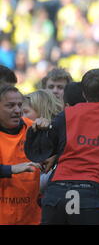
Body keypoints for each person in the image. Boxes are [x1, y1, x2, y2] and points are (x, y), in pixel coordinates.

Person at [25, 69, 99, 225]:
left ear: (84, 94)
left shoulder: (67, 114)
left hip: (56, 194)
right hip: (90, 196)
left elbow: (41, 151)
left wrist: (38, 131)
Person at [0, 84, 41, 224]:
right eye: (10, 106)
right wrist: (12, 169)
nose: (17, 110)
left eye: (19, 105)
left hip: (30, 218)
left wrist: (49, 130)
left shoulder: (32, 128)